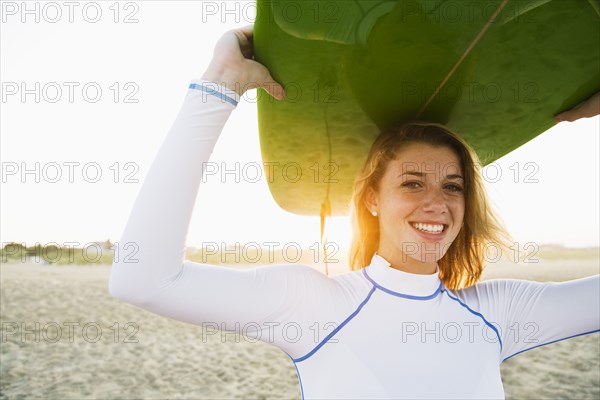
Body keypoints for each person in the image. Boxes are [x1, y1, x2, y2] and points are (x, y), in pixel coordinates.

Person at [109, 25, 599, 399]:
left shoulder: (500, 314)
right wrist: (219, 87)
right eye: (412, 182)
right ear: (370, 198)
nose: (438, 203)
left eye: (454, 185)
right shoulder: (314, 306)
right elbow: (141, 278)